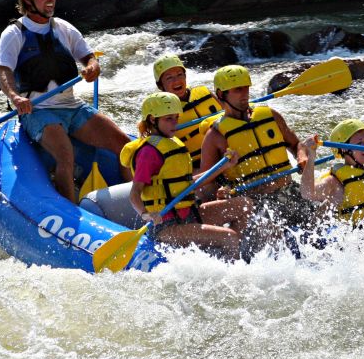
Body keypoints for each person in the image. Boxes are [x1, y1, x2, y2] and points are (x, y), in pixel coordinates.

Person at [0, 0, 131, 203]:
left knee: (125, 145)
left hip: (72, 106)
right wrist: (15, 97)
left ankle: (136, 202)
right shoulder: (14, 33)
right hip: (38, 110)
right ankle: (71, 209)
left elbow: (89, 57)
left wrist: (92, 66)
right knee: (65, 155)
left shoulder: (64, 28)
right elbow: (4, 71)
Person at [122, 91, 253, 261]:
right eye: (168, 119)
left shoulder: (174, 144)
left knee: (245, 205)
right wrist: (145, 214)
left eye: (176, 118)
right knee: (230, 237)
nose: (175, 123)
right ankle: (232, 268)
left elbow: (188, 184)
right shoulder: (149, 152)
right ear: (153, 120)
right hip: (166, 226)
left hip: (189, 215)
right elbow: (134, 194)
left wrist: (225, 166)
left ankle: (228, 256)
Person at [197, 65, 316, 231]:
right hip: (255, 203)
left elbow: (297, 145)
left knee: (320, 230)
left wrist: (302, 156)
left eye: (246, 88)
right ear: (221, 95)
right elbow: (204, 182)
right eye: (238, 90)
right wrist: (221, 189)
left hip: (288, 192)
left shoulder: (271, 115)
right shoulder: (215, 136)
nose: (245, 94)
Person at [299, 119, 364, 228]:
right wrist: (311, 157)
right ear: (343, 149)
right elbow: (308, 193)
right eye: (359, 143)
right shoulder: (335, 182)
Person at [152, 54, 221, 170]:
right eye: (169, 78)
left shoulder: (204, 92)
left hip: (225, 155)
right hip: (194, 167)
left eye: (180, 74)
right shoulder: (160, 113)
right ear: (160, 85)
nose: (177, 80)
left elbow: (230, 112)